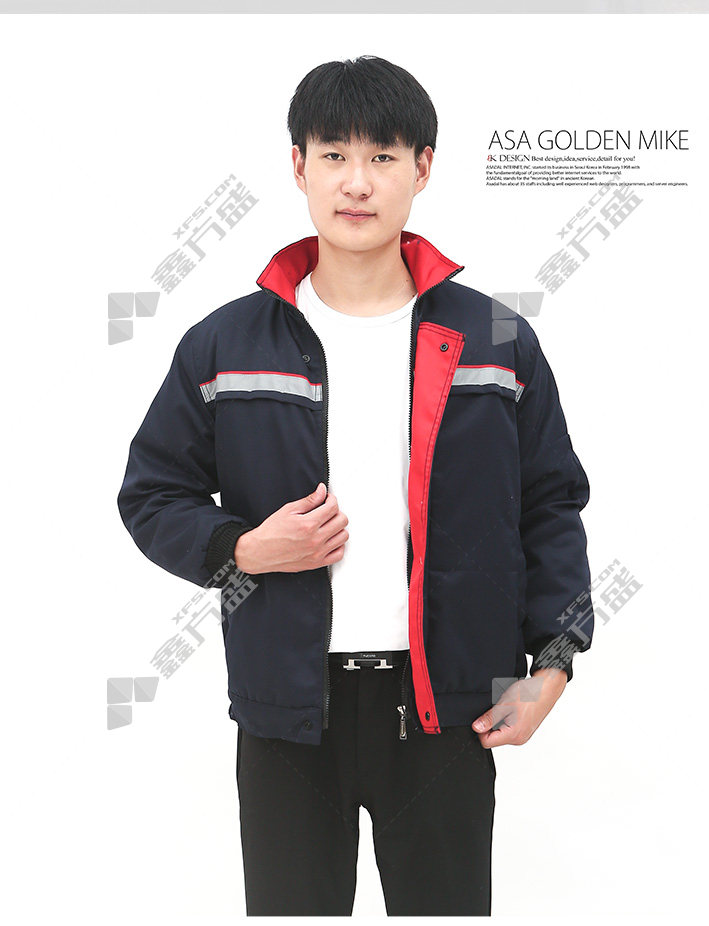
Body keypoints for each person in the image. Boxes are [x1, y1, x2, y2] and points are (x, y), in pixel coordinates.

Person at [117, 55, 594, 917]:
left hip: (445, 712)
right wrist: (242, 548)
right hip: (288, 716)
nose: (358, 182)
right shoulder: (227, 342)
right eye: (334, 154)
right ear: (298, 166)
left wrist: (554, 661)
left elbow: (550, 504)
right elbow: (152, 493)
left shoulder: (494, 337)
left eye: (383, 156)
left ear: (423, 167)